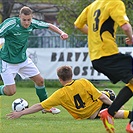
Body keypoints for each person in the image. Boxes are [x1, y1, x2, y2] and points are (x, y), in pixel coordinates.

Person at [74, 0, 133, 132]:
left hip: (96, 59)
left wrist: (93, 36)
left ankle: (110, 113)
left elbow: (78, 25)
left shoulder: (93, 6)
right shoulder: (115, 3)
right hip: (108, 54)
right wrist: (132, 37)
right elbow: (125, 26)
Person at [0, 6, 68, 114]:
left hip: (23, 60)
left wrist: (61, 33)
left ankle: (46, 107)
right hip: (7, 61)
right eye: (24, 20)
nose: (27, 23)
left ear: (31, 18)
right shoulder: (11, 24)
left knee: (40, 80)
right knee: (10, 91)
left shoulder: (32, 24)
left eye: (29, 20)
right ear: (19, 17)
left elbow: (49, 25)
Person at [6, 65, 132, 121]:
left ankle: (116, 111)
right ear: (72, 75)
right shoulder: (83, 82)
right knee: (109, 96)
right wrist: (116, 104)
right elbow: (102, 97)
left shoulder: (59, 94)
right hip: (98, 109)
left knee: (109, 100)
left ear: (60, 79)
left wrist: (21, 113)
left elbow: (39, 106)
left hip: (90, 115)